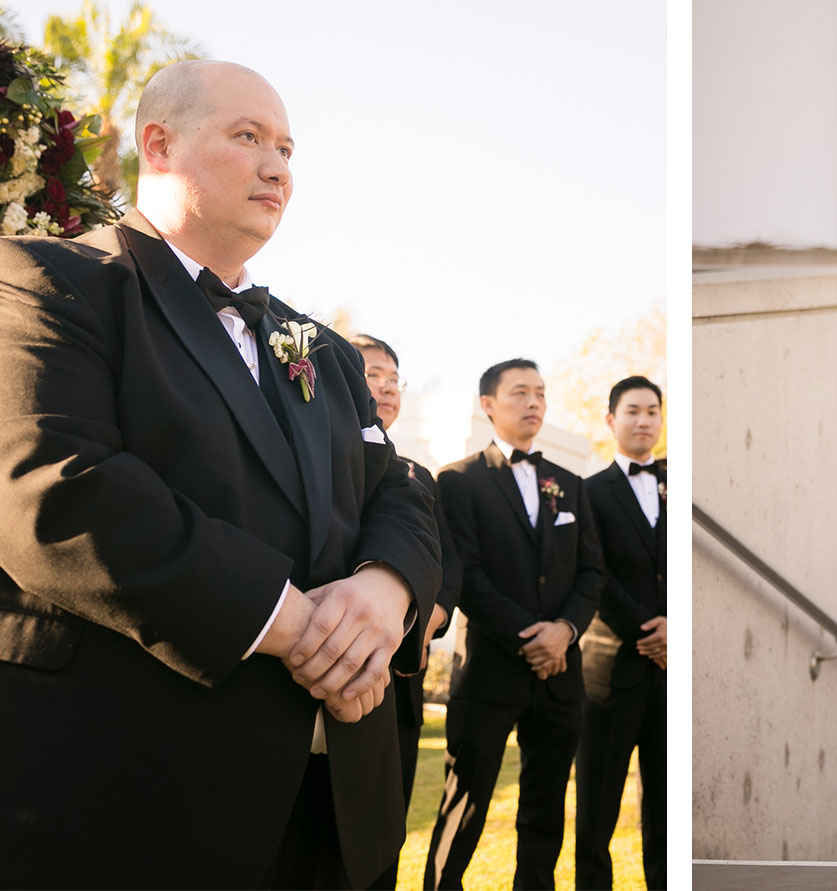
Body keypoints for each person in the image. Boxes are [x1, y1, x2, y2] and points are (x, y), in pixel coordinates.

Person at [0, 61, 441, 888]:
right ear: (157, 145)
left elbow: (400, 486)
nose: (279, 168)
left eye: (286, 147)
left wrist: (385, 590)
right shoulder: (46, 283)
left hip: (333, 806)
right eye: (248, 138)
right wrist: (296, 627)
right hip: (141, 797)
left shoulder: (322, 348)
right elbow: (56, 487)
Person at [425, 358, 602, 890]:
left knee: (545, 811)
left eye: (542, 394)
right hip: (490, 672)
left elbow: (593, 570)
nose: (534, 403)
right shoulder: (456, 481)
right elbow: (466, 575)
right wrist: (533, 638)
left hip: (559, 678)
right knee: (466, 802)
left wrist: (565, 632)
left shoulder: (569, 484)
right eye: (521, 392)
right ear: (488, 405)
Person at [350, 333, 465, 891]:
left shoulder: (420, 474)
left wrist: (432, 616)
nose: (388, 387)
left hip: (401, 677)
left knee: (384, 829)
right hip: (329, 664)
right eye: (374, 374)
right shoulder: (315, 452)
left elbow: (449, 559)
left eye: (395, 378)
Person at [575, 375, 668, 889]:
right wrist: (645, 630)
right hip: (609, 673)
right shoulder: (588, 492)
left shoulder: (676, 478)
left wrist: (673, 628)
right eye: (633, 411)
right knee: (597, 808)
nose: (643, 420)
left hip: (669, 674)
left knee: (665, 808)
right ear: (612, 420)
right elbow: (595, 573)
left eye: (652, 411)